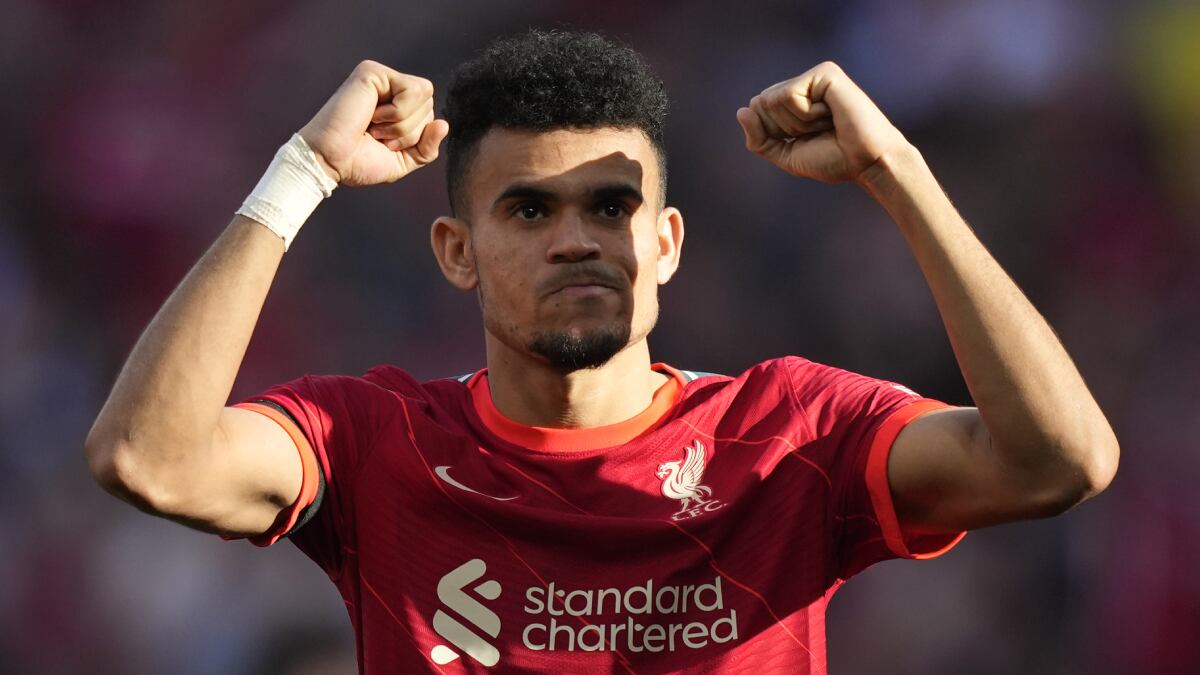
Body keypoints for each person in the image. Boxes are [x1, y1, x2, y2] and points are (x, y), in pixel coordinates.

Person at [84, 30, 1119, 673]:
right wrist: (301, 172)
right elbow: (147, 457)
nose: (577, 237)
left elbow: (1060, 461)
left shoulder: (787, 437)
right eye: (528, 209)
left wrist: (899, 174)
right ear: (457, 253)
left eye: (612, 206)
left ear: (663, 246)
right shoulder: (375, 445)